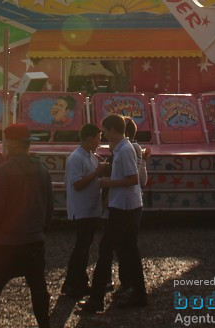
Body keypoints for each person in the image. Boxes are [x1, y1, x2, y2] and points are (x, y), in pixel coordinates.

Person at [0, 123, 54, 328]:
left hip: (5, 242)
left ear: (12, 143)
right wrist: (41, 229)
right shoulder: (42, 169)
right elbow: (50, 206)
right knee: (38, 289)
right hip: (34, 240)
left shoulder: (6, 170)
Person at [77, 114, 147, 313]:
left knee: (106, 250)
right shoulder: (125, 148)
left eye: (106, 131)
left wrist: (108, 183)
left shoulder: (124, 150)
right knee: (130, 250)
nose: (105, 135)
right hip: (131, 205)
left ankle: (96, 299)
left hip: (123, 207)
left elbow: (132, 178)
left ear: (113, 130)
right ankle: (139, 294)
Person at [60, 123, 105, 298]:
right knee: (81, 247)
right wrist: (97, 173)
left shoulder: (91, 157)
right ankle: (71, 283)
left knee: (85, 247)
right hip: (81, 209)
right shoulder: (76, 158)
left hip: (91, 208)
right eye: (98, 138)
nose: (99, 142)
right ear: (89, 138)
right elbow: (77, 184)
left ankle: (79, 281)